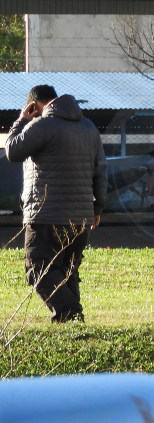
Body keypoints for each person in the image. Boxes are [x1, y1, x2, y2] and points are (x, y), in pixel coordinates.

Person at [4, 85, 106, 323]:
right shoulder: (89, 127)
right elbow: (101, 170)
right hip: (81, 216)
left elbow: (12, 150)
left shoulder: (41, 125)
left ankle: (69, 314)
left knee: (37, 269)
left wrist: (21, 121)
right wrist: (98, 207)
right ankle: (71, 324)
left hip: (46, 214)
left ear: (34, 106)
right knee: (67, 272)